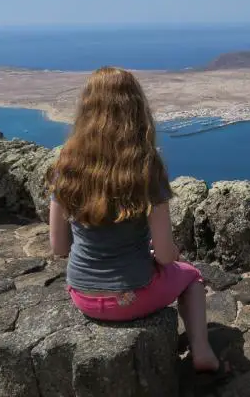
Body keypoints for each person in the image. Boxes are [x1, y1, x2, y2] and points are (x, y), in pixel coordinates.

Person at [47, 67, 219, 372]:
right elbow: (165, 256)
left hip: (82, 295)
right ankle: (202, 351)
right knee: (191, 277)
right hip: (132, 296)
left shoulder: (65, 165)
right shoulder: (145, 167)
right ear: (136, 109)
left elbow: (59, 247)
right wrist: (169, 256)